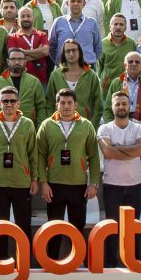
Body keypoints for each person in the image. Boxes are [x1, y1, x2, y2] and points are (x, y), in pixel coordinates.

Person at [37, 88, 99, 259]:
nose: (66, 106)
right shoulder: (47, 125)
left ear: (76, 104)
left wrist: (93, 183)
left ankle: (77, 261)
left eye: (69, 103)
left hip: (78, 185)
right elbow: (40, 155)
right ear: (57, 104)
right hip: (54, 184)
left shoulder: (86, 125)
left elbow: (93, 156)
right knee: (54, 226)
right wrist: (43, 182)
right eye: (62, 102)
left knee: (77, 227)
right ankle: (51, 261)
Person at [0, 84, 37, 261]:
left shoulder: (28, 124)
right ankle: (1, 258)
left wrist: (34, 178)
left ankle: (25, 260)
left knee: (23, 224)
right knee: (1, 225)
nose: (9, 104)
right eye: (5, 101)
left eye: (12, 101)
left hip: (21, 182)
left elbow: (33, 154)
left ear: (18, 103)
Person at [97, 90, 141, 267]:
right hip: (112, 186)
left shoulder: (139, 127)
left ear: (130, 106)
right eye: (117, 104)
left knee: (133, 229)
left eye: (124, 104)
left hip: (135, 186)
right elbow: (107, 152)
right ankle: (111, 265)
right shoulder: (104, 128)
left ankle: (131, 263)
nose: (121, 107)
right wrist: (130, 151)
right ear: (112, 107)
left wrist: (118, 150)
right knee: (112, 228)